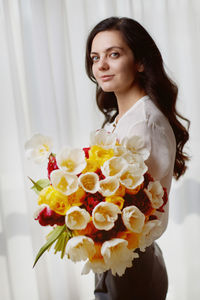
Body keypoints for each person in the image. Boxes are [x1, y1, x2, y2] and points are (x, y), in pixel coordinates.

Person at [85, 17, 190, 300]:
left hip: (134, 267)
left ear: (141, 61)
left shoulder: (144, 123)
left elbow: (142, 210)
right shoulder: (123, 120)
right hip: (121, 261)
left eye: (114, 54)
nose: (101, 65)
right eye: (96, 57)